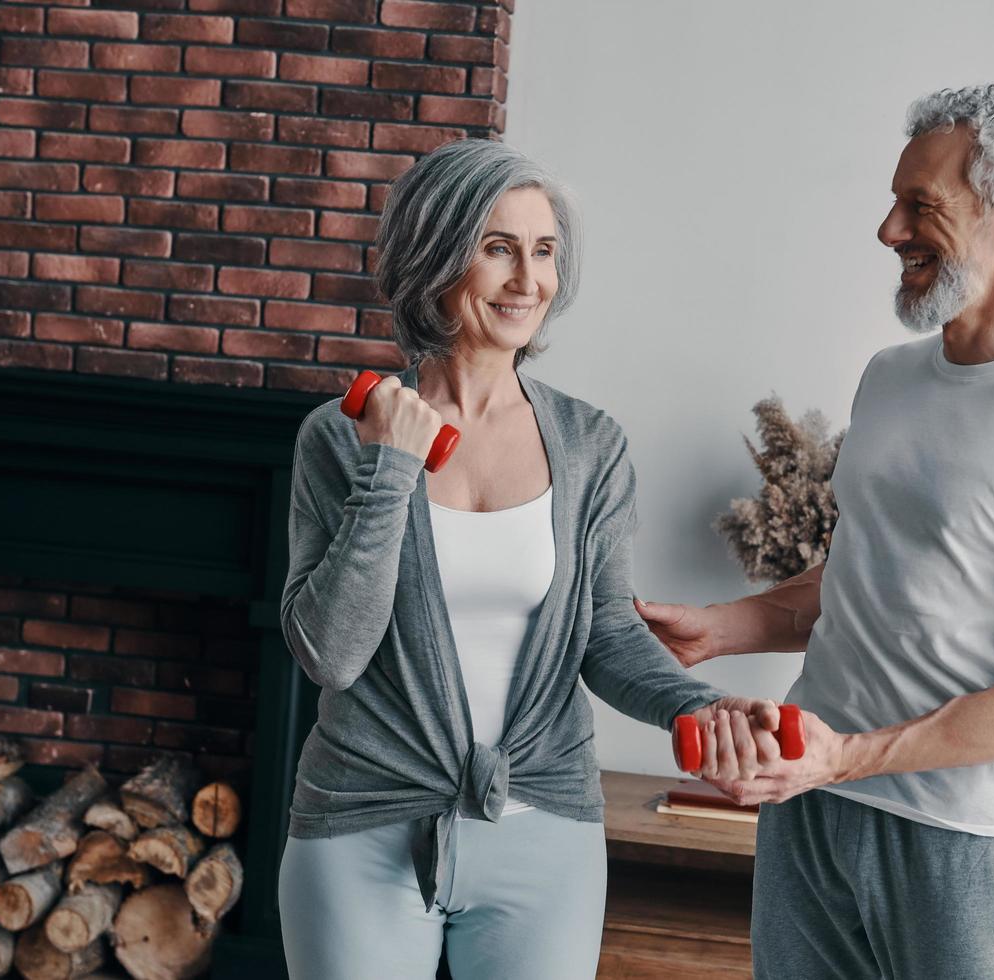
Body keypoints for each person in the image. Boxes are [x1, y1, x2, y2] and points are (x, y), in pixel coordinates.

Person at [637, 84, 994, 979]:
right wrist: (722, 627)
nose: (888, 231)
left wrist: (849, 758)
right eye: (891, 201)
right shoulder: (890, 378)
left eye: (921, 206)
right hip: (811, 807)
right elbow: (866, 578)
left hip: (951, 836)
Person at [275, 138, 776, 980]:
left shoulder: (589, 445)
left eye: (543, 251)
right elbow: (333, 652)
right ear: (434, 256)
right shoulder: (339, 437)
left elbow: (606, 635)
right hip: (360, 824)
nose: (528, 280)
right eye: (498, 248)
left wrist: (699, 708)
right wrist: (391, 466)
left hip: (544, 835)